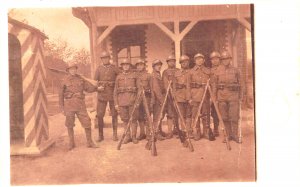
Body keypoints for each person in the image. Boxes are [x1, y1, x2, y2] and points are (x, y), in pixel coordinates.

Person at [59, 62, 98, 150]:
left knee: (87, 123)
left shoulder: (81, 79)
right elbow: (60, 95)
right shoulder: (64, 80)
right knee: (69, 124)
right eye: (71, 69)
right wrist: (62, 108)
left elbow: (88, 88)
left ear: (76, 69)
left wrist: (97, 88)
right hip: (69, 105)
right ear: (68, 70)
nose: (73, 70)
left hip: (80, 105)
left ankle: (90, 142)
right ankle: (71, 143)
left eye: (74, 69)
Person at [213, 51, 243, 143]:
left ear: (230, 59)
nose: (225, 61)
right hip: (221, 96)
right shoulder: (217, 71)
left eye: (227, 59)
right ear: (221, 60)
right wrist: (214, 97)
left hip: (233, 96)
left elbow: (241, 84)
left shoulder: (236, 70)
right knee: (224, 117)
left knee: (234, 116)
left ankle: (235, 135)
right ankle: (227, 135)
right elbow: (214, 85)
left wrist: (241, 97)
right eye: (223, 59)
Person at [94, 51, 120, 142]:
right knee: (100, 115)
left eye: (106, 58)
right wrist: (98, 88)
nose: (105, 60)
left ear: (109, 59)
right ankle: (101, 135)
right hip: (102, 95)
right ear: (101, 59)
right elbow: (95, 82)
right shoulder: (99, 69)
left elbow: (120, 79)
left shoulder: (114, 68)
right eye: (103, 58)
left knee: (114, 115)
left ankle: (115, 134)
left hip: (113, 94)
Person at [114, 58, 140, 144]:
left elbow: (139, 90)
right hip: (122, 102)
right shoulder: (118, 77)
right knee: (125, 120)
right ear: (122, 66)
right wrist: (116, 104)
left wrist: (137, 101)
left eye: (127, 65)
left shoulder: (134, 75)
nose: (125, 66)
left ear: (130, 66)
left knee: (133, 119)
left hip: (132, 101)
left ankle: (133, 136)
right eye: (124, 65)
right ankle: (127, 136)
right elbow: (115, 91)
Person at [188, 53, 214, 141]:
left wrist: (211, 97)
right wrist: (189, 98)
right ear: (195, 61)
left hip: (205, 96)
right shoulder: (191, 72)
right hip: (194, 96)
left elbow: (212, 84)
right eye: (197, 59)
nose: (199, 60)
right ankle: (197, 133)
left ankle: (206, 132)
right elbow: (188, 86)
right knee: (195, 115)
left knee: (206, 115)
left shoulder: (208, 71)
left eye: (201, 59)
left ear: (203, 60)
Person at [172, 55, 192, 138]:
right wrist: (174, 97)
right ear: (180, 63)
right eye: (182, 62)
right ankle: (183, 132)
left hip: (190, 96)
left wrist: (191, 97)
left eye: (186, 62)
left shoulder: (192, 72)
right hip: (179, 96)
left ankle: (189, 132)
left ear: (188, 62)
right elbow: (174, 86)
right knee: (181, 115)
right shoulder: (177, 73)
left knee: (189, 115)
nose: (184, 63)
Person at [162, 55, 180, 139]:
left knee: (177, 113)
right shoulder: (165, 72)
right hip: (169, 96)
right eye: (170, 61)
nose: (171, 62)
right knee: (169, 114)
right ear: (167, 63)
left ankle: (177, 129)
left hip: (178, 95)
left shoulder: (178, 71)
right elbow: (165, 85)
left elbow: (180, 82)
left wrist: (177, 94)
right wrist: (169, 95)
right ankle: (169, 131)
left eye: (173, 61)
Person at [135, 59, 152, 140]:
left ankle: (148, 134)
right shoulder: (134, 76)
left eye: (141, 65)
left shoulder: (148, 75)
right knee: (139, 116)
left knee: (148, 116)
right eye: (138, 65)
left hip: (147, 98)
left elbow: (152, 88)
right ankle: (142, 133)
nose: (139, 66)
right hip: (138, 99)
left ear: (144, 66)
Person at [151, 59, 166, 141]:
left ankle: (159, 131)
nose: (159, 66)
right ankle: (156, 133)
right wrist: (162, 100)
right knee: (157, 116)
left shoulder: (158, 74)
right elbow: (156, 90)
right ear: (153, 67)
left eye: (160, 65)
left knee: (160, 116)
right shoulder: (154, 75)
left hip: (160, 98)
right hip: (157, 100)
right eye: (157, 65)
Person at [209, 51, 224, 137]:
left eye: (216, 59)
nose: (214, 61)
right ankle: (215, 129)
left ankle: (226, 130)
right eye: (212, 59)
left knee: (223, 112)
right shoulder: (209, 70)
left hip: (221, 93)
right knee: (214, 112)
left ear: (219, 59)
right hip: (212, 94)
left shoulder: (223, 69)